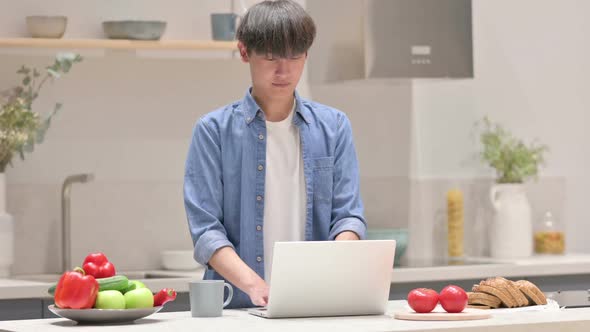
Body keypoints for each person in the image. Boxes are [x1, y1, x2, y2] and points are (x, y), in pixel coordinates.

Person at [184, 0, 366, 309]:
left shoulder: (334, 127)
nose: (284, 70)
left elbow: (348, 216)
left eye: (295, 56)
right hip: (237, 307)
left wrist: (334, 264)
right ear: (244, 52)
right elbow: (206, 231)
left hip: (317, 305)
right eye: (271, 57)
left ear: (306, 54)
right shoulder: (213, 131)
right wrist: (255, 285)